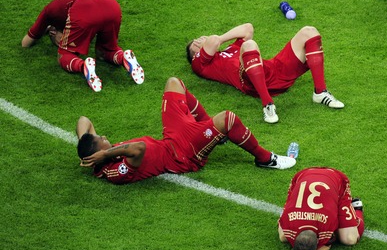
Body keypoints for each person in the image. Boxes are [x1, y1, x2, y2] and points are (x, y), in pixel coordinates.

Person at [77, 77, 296, 184]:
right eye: (99, 139)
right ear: (100, 155)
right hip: (183, 155)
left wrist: (85, 144)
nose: (103, 136)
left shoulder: (103, 154)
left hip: (172, 137)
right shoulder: (115, 172)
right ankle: (265, 159)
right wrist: (105, 154)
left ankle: (209, 130)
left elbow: (83, 120)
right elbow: (139, 148)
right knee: (228, 119)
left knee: (174, 83)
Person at [186, 23, 344, 124]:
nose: (200, 39)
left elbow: (247, 28)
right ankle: (268, 105)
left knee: (309, 31)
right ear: (195, 54)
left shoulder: (230, 49)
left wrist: (221, 39)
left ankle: (320, 92)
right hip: (250, 82)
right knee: (249, 45)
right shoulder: (200, 64)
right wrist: (216, 39)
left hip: (274, 71)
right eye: (196, 42)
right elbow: (213, 41)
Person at [21, 0, 144, 92]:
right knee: (104, 51)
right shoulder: (66, 1)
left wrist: (43, 29)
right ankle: (123, 58)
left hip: (84, 9)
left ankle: (83, 66)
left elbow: (25, 43)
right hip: (111, 5)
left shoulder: (48, 12)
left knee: (63, 54)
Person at [278, 167, 364, 250]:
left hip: (336, 178)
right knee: (283, 237)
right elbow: (326, 243)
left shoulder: (325, 226)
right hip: (302, 175)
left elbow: (328, 243)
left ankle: (357, 209)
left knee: (349, 239)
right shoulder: (289, 230)